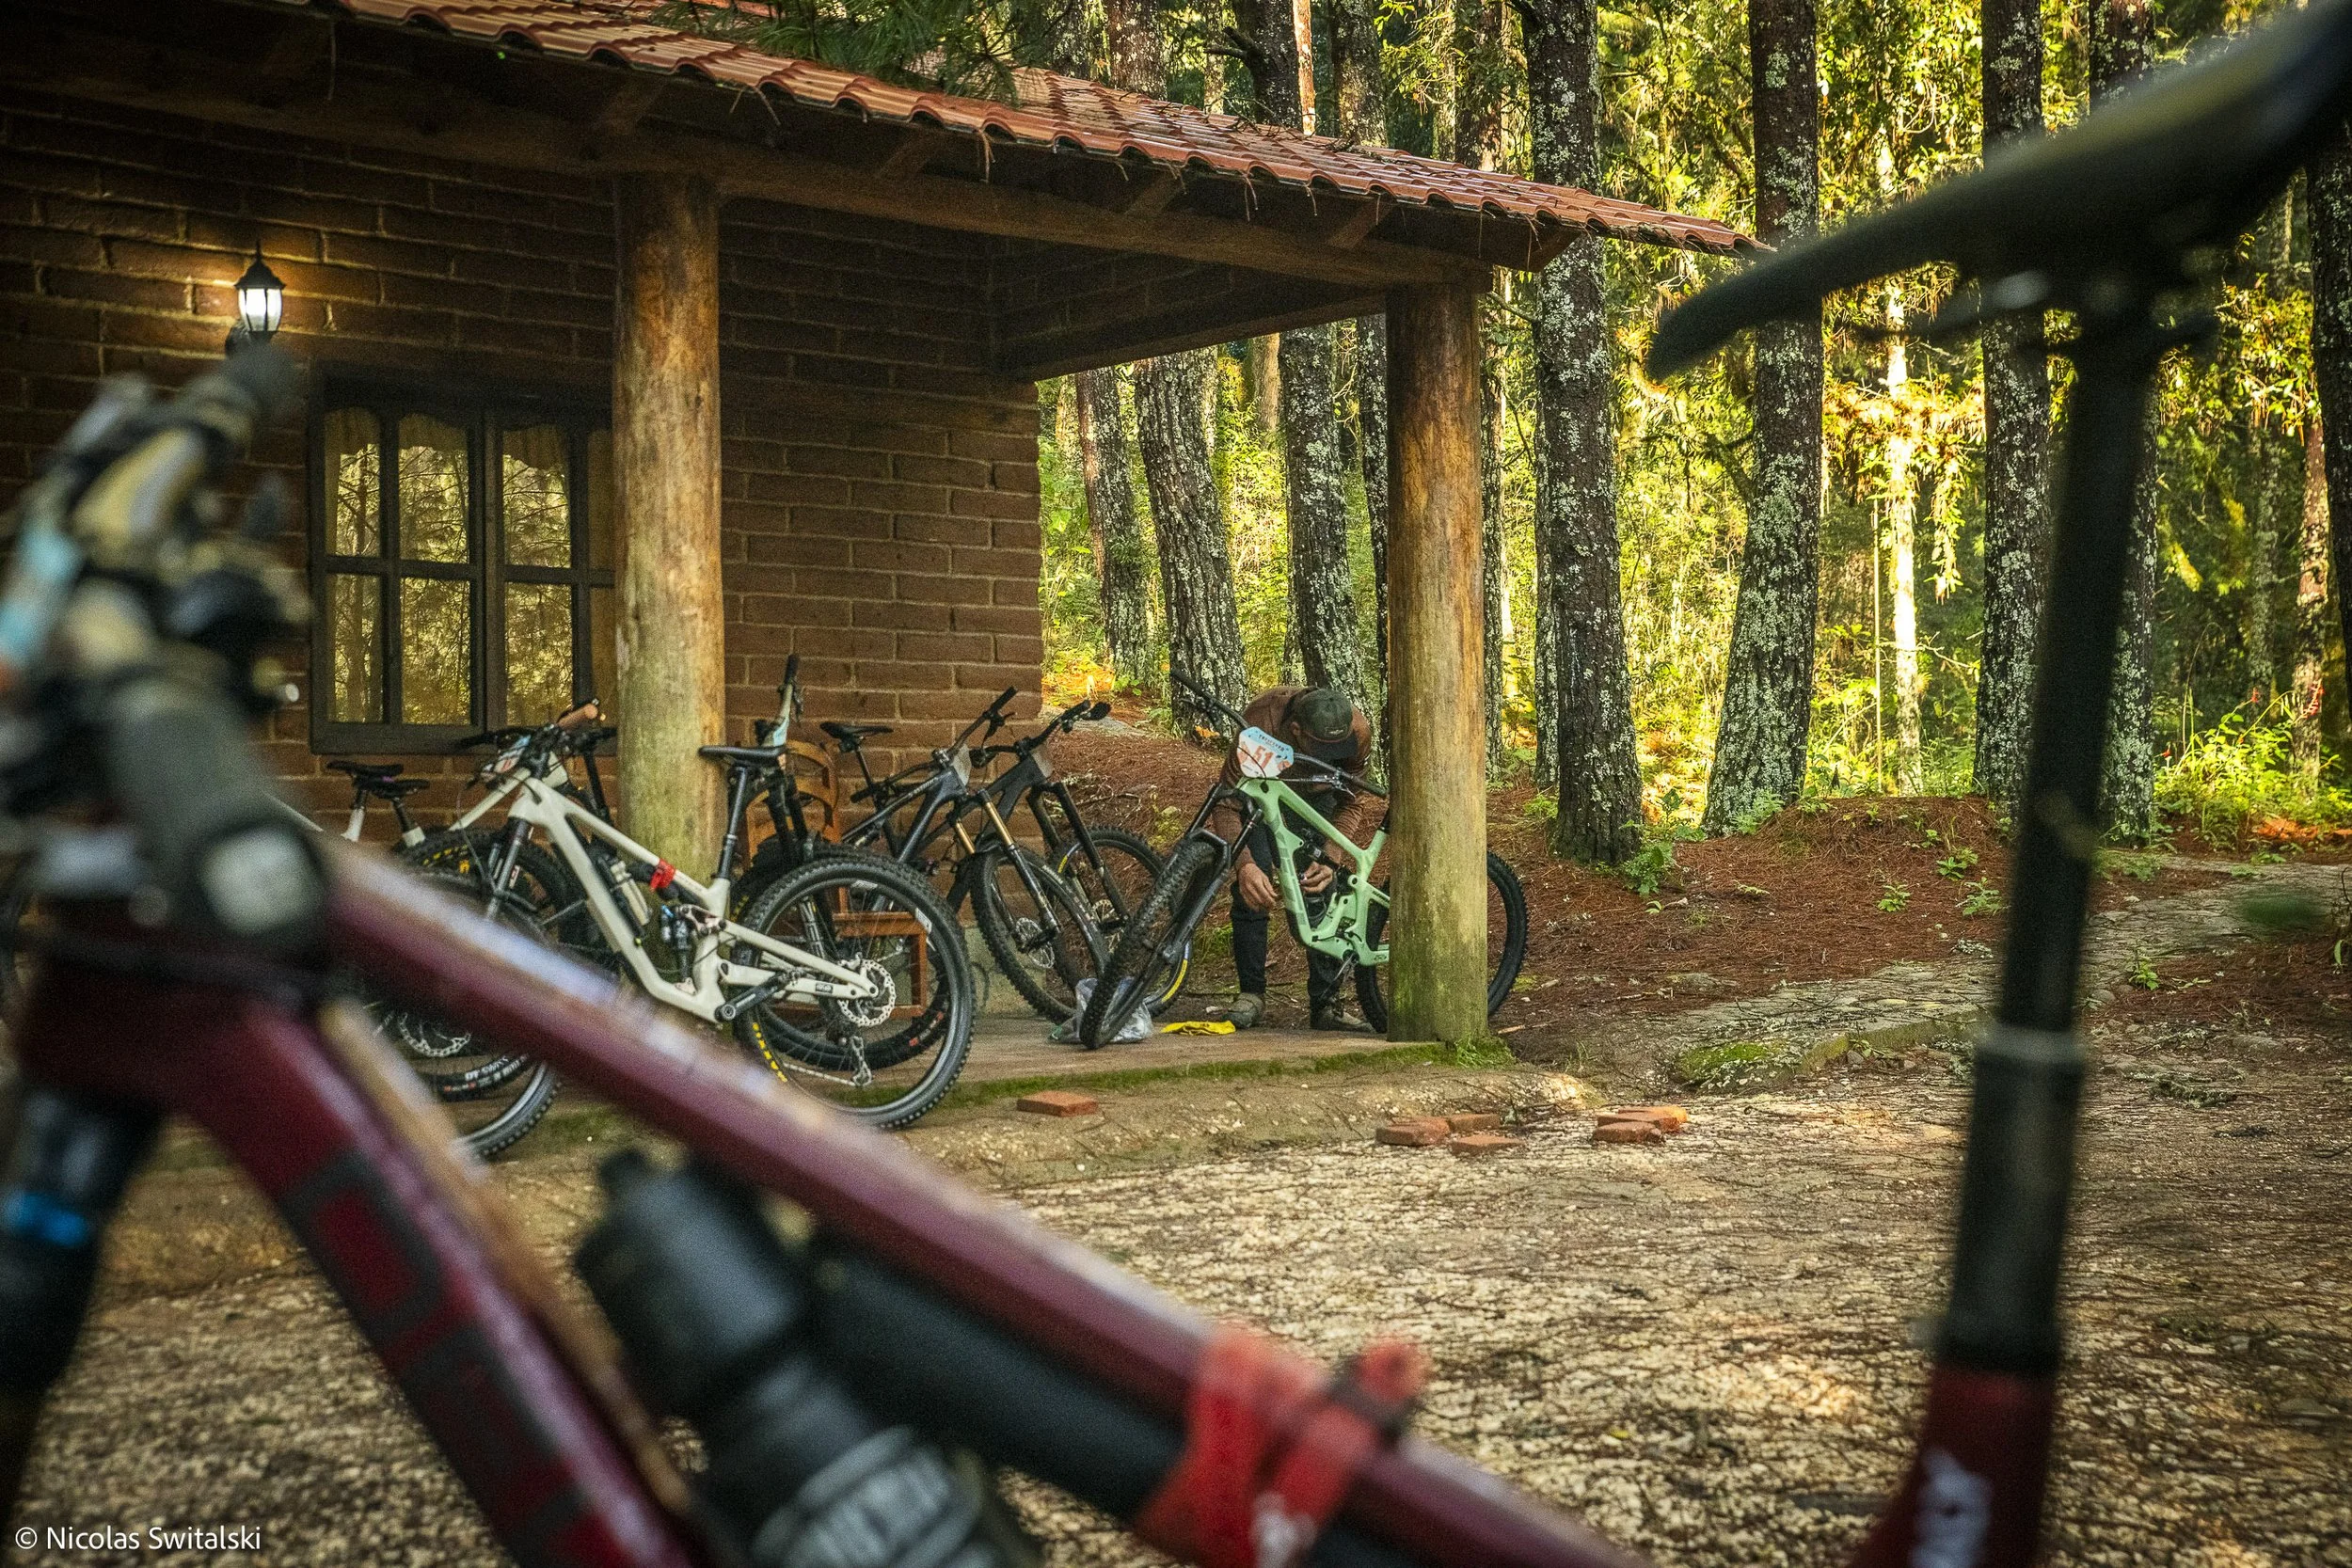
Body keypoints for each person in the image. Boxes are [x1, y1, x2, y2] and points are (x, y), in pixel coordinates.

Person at [1205, 686, 1381, 1033]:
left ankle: (1326, 1004)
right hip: (1260, 799)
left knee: (1319, 890)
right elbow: (1226, 803)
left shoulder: (1358, 731)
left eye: (1337, 748)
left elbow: (1352, 802)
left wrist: (1331, 856)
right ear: (1297, 731)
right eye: (1321, 748)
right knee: (1252, 891)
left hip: (1318, 804)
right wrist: (1245, 865)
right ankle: (1251, 995)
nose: (1331, 755)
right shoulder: (1260, 724)